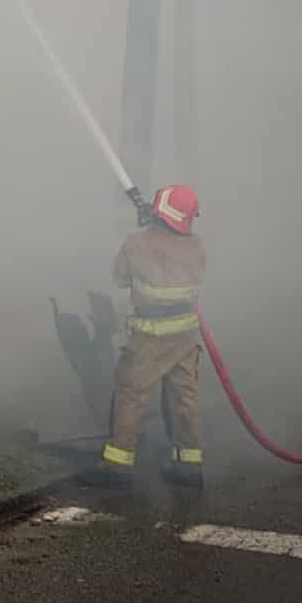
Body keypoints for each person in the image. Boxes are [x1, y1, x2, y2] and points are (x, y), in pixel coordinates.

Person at [83, 184, 207, 488]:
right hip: (185, 336)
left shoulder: (136, 243)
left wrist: (146, 232)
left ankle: (117, 466)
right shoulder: (196, 246)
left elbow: (119, 277)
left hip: (151, 336)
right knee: (183, 399)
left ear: (159, 210)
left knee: (130, 394)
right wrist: (155, 228)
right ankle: (189, 466)